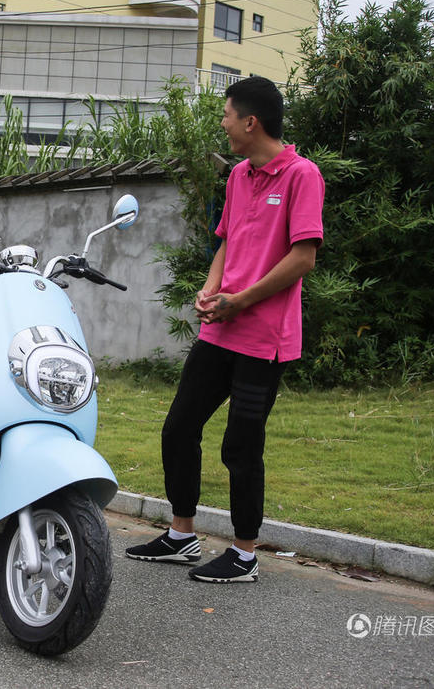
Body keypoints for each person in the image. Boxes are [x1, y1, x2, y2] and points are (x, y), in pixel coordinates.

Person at [126, 77, 325, 582]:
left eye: (227, 115)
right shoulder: (238, 175)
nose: (223, 123)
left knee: (240, 446)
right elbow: (225, 243)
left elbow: (303, 258)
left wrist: (242, 301)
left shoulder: (302, 175)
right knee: (179, 428)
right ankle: (182, 534)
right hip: (221, 330)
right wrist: (211, 290)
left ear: (250, 121)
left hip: (264, 340)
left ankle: (243, 554)